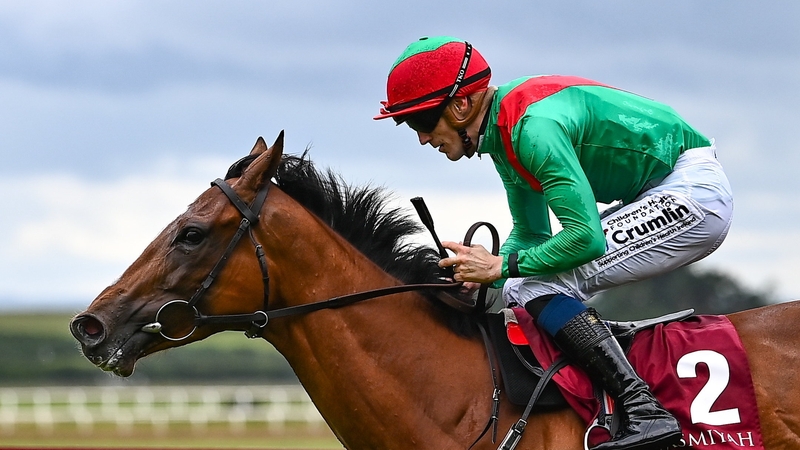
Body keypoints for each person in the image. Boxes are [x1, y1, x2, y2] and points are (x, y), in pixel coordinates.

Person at [374, 36, 734, 450]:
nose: (421, 139)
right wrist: (484, 274)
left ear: (460, 105)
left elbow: (584, 239)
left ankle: (643, 409)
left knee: (532, 284)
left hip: (692, 194)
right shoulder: (504, 131)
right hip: (663, 189)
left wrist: (500, 267)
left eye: (420, 122)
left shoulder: (532, 129)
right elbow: (532, 235)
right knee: (519, 283)